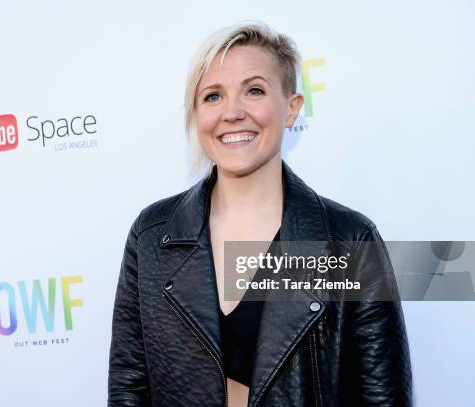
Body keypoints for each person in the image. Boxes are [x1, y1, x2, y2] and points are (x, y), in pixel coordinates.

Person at [108, 20, 412, 407]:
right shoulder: (151, 236)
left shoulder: (350, 239)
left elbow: (382, 395)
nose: (232, 112)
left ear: (291, 107)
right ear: (196, 114)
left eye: (254, 90)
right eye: (213, 96)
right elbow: (129, 388)